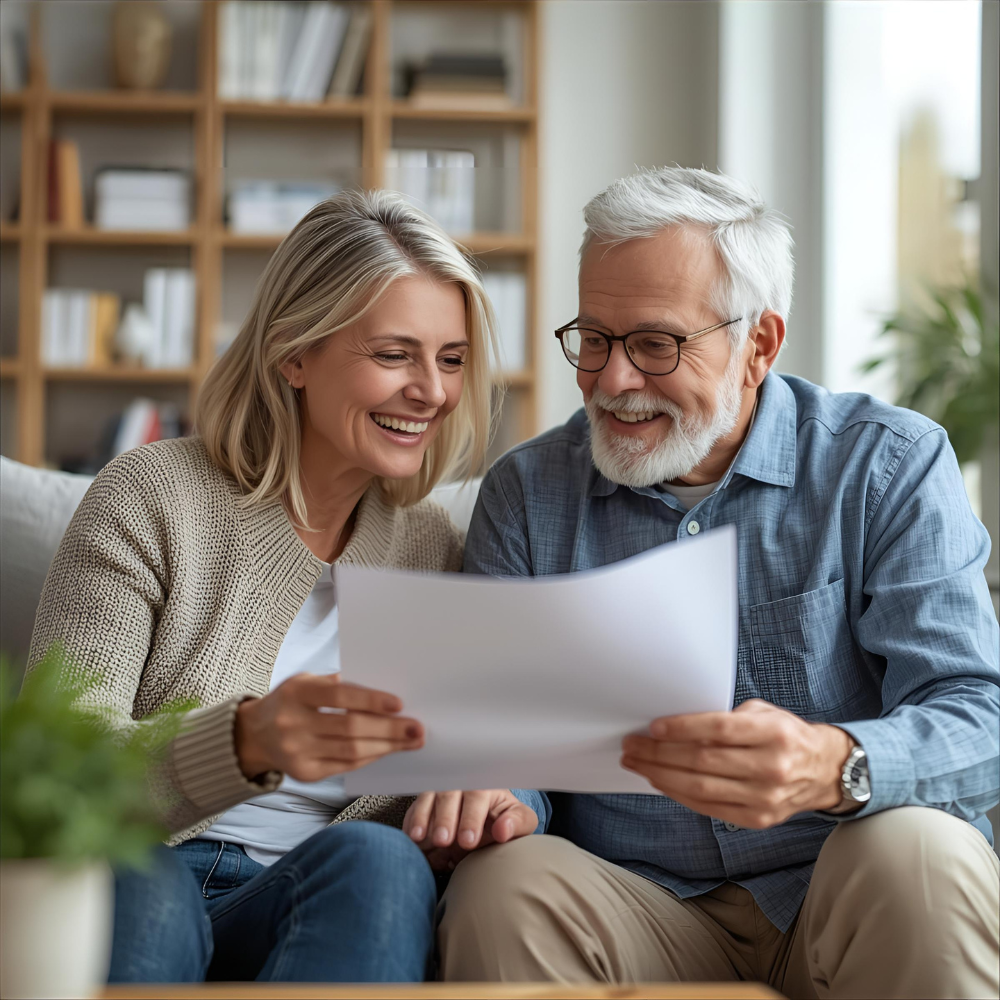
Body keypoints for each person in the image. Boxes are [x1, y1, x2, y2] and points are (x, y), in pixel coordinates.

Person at [437, 167, 1000, 998]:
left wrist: (834, 762)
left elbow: (977, 718)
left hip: (840, 890)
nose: (613, 380)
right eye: (593, 338)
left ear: (759, 345)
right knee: (500, 884)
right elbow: (508, 741)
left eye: (656, 344)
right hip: (635, 900)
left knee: (918, 847)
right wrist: (498, 793)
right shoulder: (525, 496)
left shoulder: (886, 466)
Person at [26, 190, 532, 984]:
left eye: (452, 358)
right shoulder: (149, 498)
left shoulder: (440, 548)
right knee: (144, 881)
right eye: (395, 354)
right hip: (150, 871)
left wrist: (480, 789)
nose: (432, 391)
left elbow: (500, 745)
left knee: (380, 860)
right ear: (294, 354)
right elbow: (56, 782)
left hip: (319, 894)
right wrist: (245, 741)